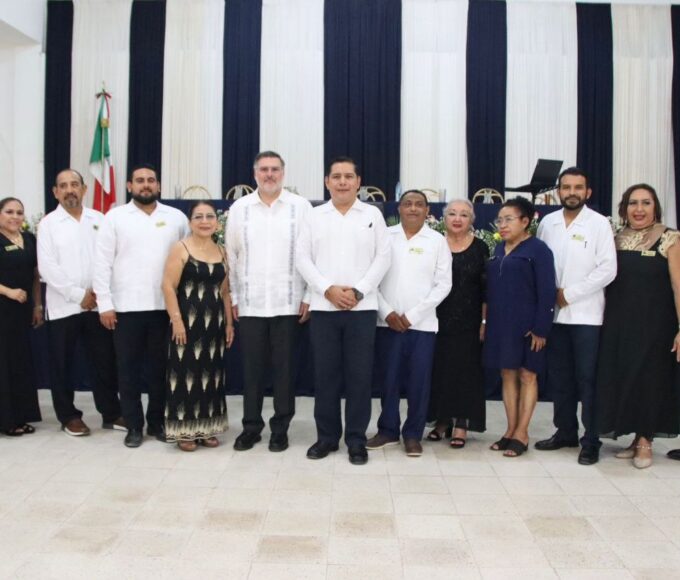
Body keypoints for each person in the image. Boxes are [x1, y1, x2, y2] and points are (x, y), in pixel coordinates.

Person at [296, 156, 391, 465]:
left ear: (358, 182)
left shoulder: (372, 214)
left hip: (362, 309)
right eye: (336, 176)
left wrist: (359, 290)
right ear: (327, 182)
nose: (342, 182)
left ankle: (356, 440)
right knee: (326, 376)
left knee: (359, 377)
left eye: (348, 176)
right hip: (324, 308)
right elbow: (302, 258)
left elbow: (383, 257)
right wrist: (328, 289)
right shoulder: (314, 215)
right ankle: (326, 437)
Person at [93, 164, 189, 448]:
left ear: (158, 186)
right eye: (139, 180)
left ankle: (157, 422)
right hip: (125, 308)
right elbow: (102, 263)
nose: (145, 184)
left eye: (150, 180)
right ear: (129, 186)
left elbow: (188, 258)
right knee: (128, 371)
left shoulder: (176, 218)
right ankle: (134, 425)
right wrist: (104, 304)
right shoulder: (115, 217)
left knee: (160, 370)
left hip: (164, 308)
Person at [226, 151, 312, 453]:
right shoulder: (240, 208)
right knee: (252, 371)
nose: (269, 174)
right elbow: (231, 256)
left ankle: (280, 429)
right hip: (251, 304)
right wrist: (234, 297)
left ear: (283, 173)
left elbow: (311, 254)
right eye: (264, 169)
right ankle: (251, 427)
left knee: (284, 371)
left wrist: (309, 296)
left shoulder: (300, 207)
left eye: (275, 169)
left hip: (289, 303)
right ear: (255, 174)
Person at [534, 167, 617, 465]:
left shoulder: (599, 223)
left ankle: (591, 439)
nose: (572, 192)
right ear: (558, 191)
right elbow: (540, 263)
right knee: (560, 378)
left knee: (587, 379)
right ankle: (565, 432)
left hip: (586, 316)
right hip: (554, 317)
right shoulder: (548, 222)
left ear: (587, 192)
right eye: (566, 187)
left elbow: (608, 269)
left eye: (578, 187)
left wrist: (569, 294)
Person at [597, 184, 680, 469]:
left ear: (655, 207)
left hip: (655, 325)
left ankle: (645, 441)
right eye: (633, 203)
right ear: (624, 208)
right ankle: (634, 439)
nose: (639, 209)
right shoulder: (615, 238)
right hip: (619, 324)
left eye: (646, 203)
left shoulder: (669, 238)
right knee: (626, 379)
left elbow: (678, 286)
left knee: (650, 380)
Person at [38, 169, 124, 436]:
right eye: (63, 186)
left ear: (84, 189)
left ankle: (111, 413)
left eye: (74, 184)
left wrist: (98, 293)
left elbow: (109, 258)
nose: (69, 190)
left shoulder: (99, 219)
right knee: (63, 365)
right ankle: (69, 416)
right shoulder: (48, 224)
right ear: (56, 192)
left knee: (104, 362)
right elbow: (47, 268)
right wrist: (78, 295)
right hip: (64, 307)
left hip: (97, 305)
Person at [366, 190, 451, 457]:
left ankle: (413, 434)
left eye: (419, 204)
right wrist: (388, 313)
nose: (413, 208)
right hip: (387, 324)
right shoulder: (385, 237)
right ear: (399, 208)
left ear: (427, 211)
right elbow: (370, 279)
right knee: (388, 380)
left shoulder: (437, 241)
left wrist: (412, 315)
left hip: (422, 326)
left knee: (419, 383)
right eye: (407, 204)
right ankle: (388, 430)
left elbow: (443, 285)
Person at [484, 197, 556, 457]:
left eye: (509, 220)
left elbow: (547, 291)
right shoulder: (499, 248)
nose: (502, 225)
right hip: (501, 323)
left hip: (528, 326)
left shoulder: (538, 250)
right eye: (499, 220)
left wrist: (541, 328)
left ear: (525, 221)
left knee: (527, 375)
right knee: (507, 374)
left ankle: (522, 433)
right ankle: (510, 430)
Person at [162, 201, 233, 452]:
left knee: (211, 377)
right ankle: (184, 431)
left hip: (214, 325)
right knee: (186, 376)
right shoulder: (181, 248)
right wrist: (177, 321)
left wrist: (229, 323)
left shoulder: (222, 250)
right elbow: (168, 286)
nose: (205, 221)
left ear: (217, 222)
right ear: (190, 222)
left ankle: (207, 427)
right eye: (199, 217)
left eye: (210, 216)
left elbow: (225, 292)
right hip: (187, 324)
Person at [426, 199, 489, 447]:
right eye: (452, 213)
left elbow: (486, 290)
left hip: (469, 320)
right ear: (444, 218)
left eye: (464, 214)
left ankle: (462, 423)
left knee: (466, 371)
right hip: (437, 317)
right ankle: (442, 421)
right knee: (441, 369)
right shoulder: (435, 244)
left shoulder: (480, 247)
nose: (457, 219)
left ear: (471, 220)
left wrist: (484, 321)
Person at [0, 197, 42, 436]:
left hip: (22, 311)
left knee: (19, 363)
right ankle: (6, 421)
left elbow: (35, 275)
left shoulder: (29, 239)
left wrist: (37, 305)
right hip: (3, 308)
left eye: (19, 212)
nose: (15, 217)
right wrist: (8, 291)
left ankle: (20, 416)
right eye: (9, 212)